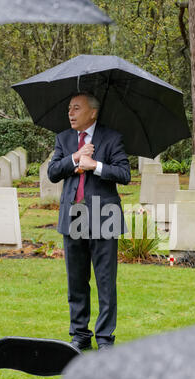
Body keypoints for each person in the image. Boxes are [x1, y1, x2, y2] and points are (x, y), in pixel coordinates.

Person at [48, 92, 131, 352]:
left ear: (92, 113)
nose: (70, 113)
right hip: (73, 216)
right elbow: (53, 172)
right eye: (69, 109)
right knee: (76, 281)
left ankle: (105, 338)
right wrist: (75, 157)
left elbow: (124, 174)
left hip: (104, 216)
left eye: (76, 108)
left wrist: (94, 164)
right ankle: (80, 335)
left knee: (105, 280)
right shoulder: (63, 139)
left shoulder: (112, 138)